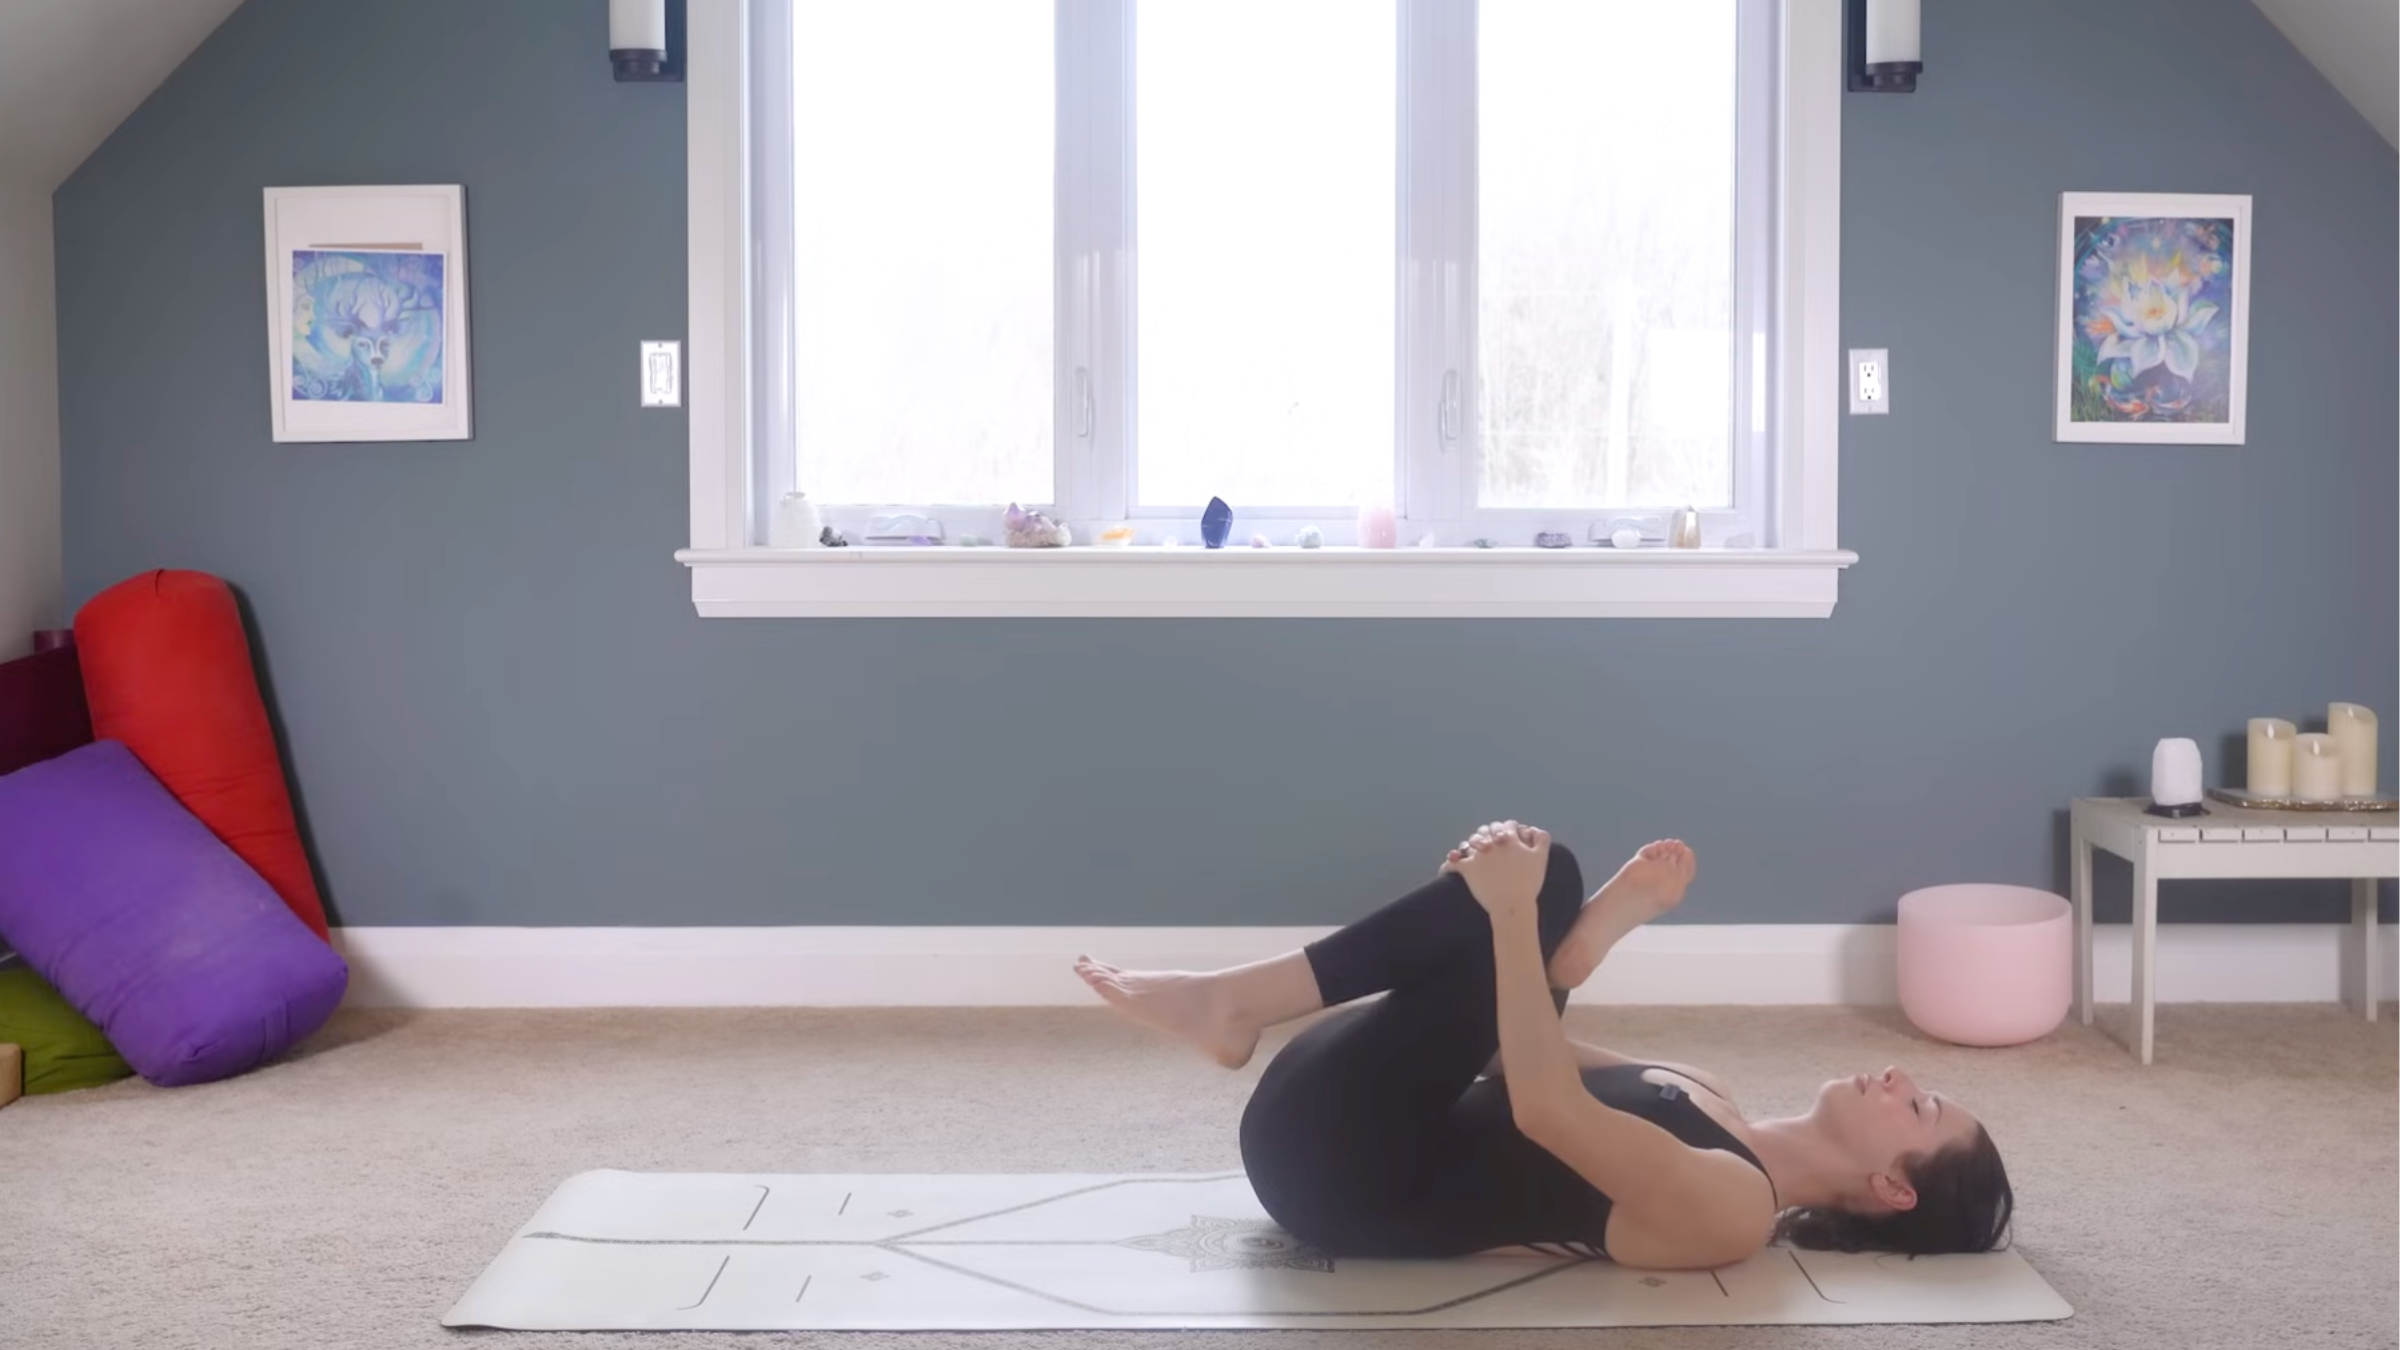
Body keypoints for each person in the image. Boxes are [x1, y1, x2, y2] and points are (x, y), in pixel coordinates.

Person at [1073, 821, 2014, 1271]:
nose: (1898, 1075)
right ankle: (1574, 939)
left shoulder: (1733, 1209)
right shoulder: (1703, 1084)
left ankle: (1233, 1002)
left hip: (1338, 1176)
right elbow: (1500, 1047)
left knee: (1532, 892)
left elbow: (1542, 1105)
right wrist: (1521, 931)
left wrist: (1513, 914)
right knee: (1546, 873)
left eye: (1918, 1105)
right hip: (1344, 1102)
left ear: (1895, 1187)